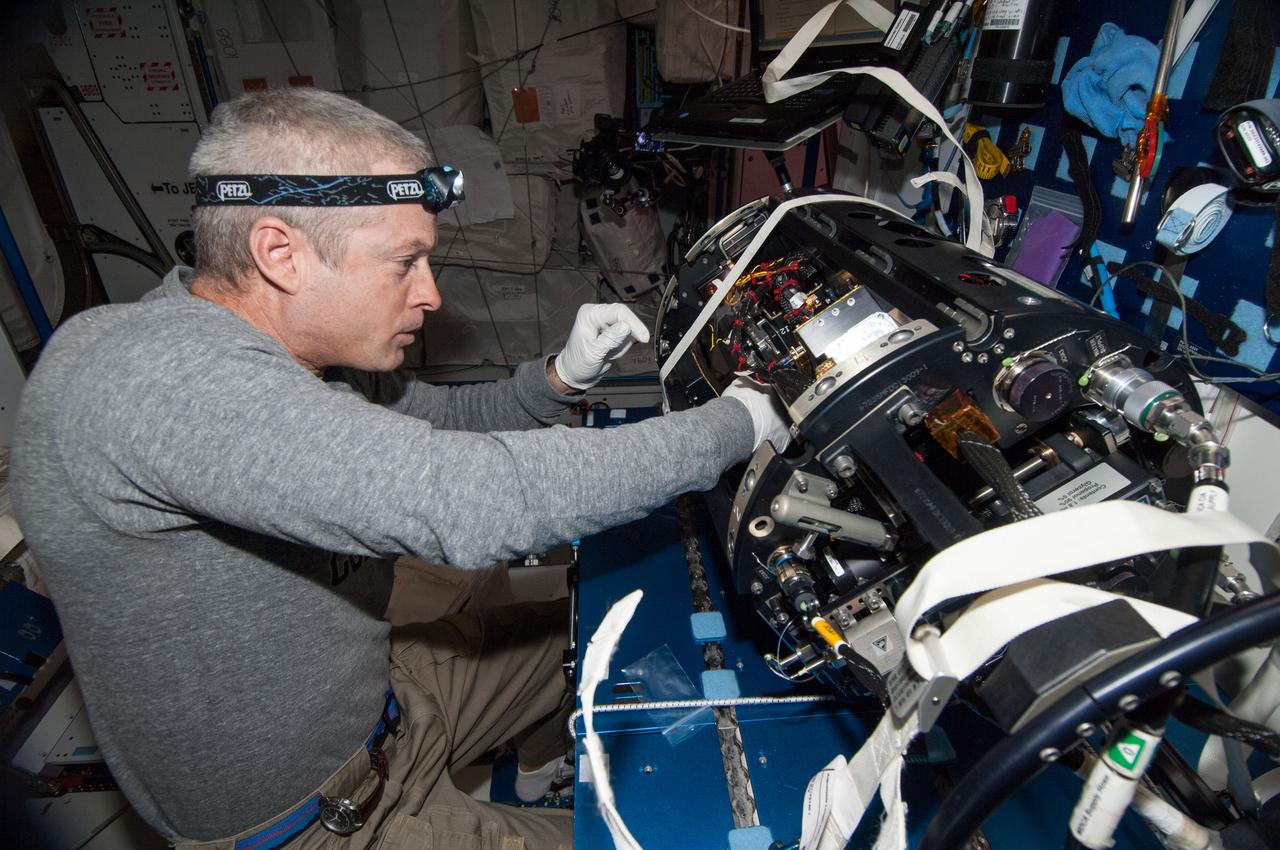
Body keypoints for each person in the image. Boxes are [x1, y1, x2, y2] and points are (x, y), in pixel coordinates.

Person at [10, 87, 789, 849]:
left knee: (608, 639)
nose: (429, 294)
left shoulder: (303, 352)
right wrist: (740, 420)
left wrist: (561, 378)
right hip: (318, 821)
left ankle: (555, 757)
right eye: (404, 262)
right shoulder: (152, 380)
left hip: (388, 698)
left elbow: (441, 423)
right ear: (279, 253)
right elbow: (474, 499)